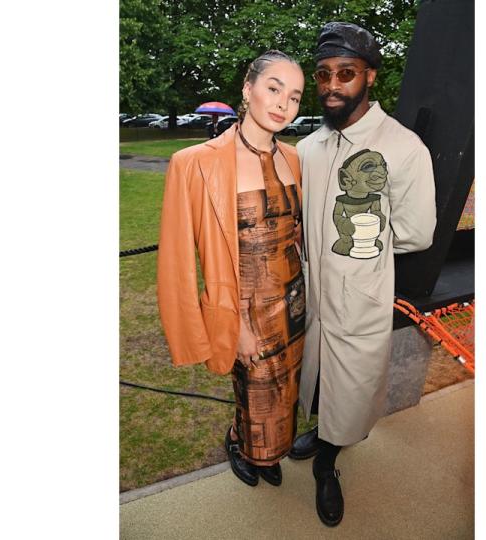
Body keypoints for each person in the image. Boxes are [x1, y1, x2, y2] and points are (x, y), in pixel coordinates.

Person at [291, 22, 437, 526]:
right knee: (314, 377)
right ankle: (320, 431)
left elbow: (418, 233)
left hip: (360, 297)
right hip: (311, 296)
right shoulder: (308, 147)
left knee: (350, 390)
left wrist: (362, 245)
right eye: (324, 74)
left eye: (346, 74)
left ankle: (329, 464)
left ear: (370, 77)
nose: (332, 85)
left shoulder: (403, 147)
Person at [156, 50, 306, 488]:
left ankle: (270, 452)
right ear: (248, 89)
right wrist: (234, 322)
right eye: (273, 89)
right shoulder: (196, 163)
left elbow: (290, 227)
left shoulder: (294, 159)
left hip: (294, 299)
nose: (283, 104)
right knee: (254, 391)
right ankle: (243, 445)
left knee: (286, 389)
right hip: (245, 308)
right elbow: (183, 258)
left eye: (294, 97)